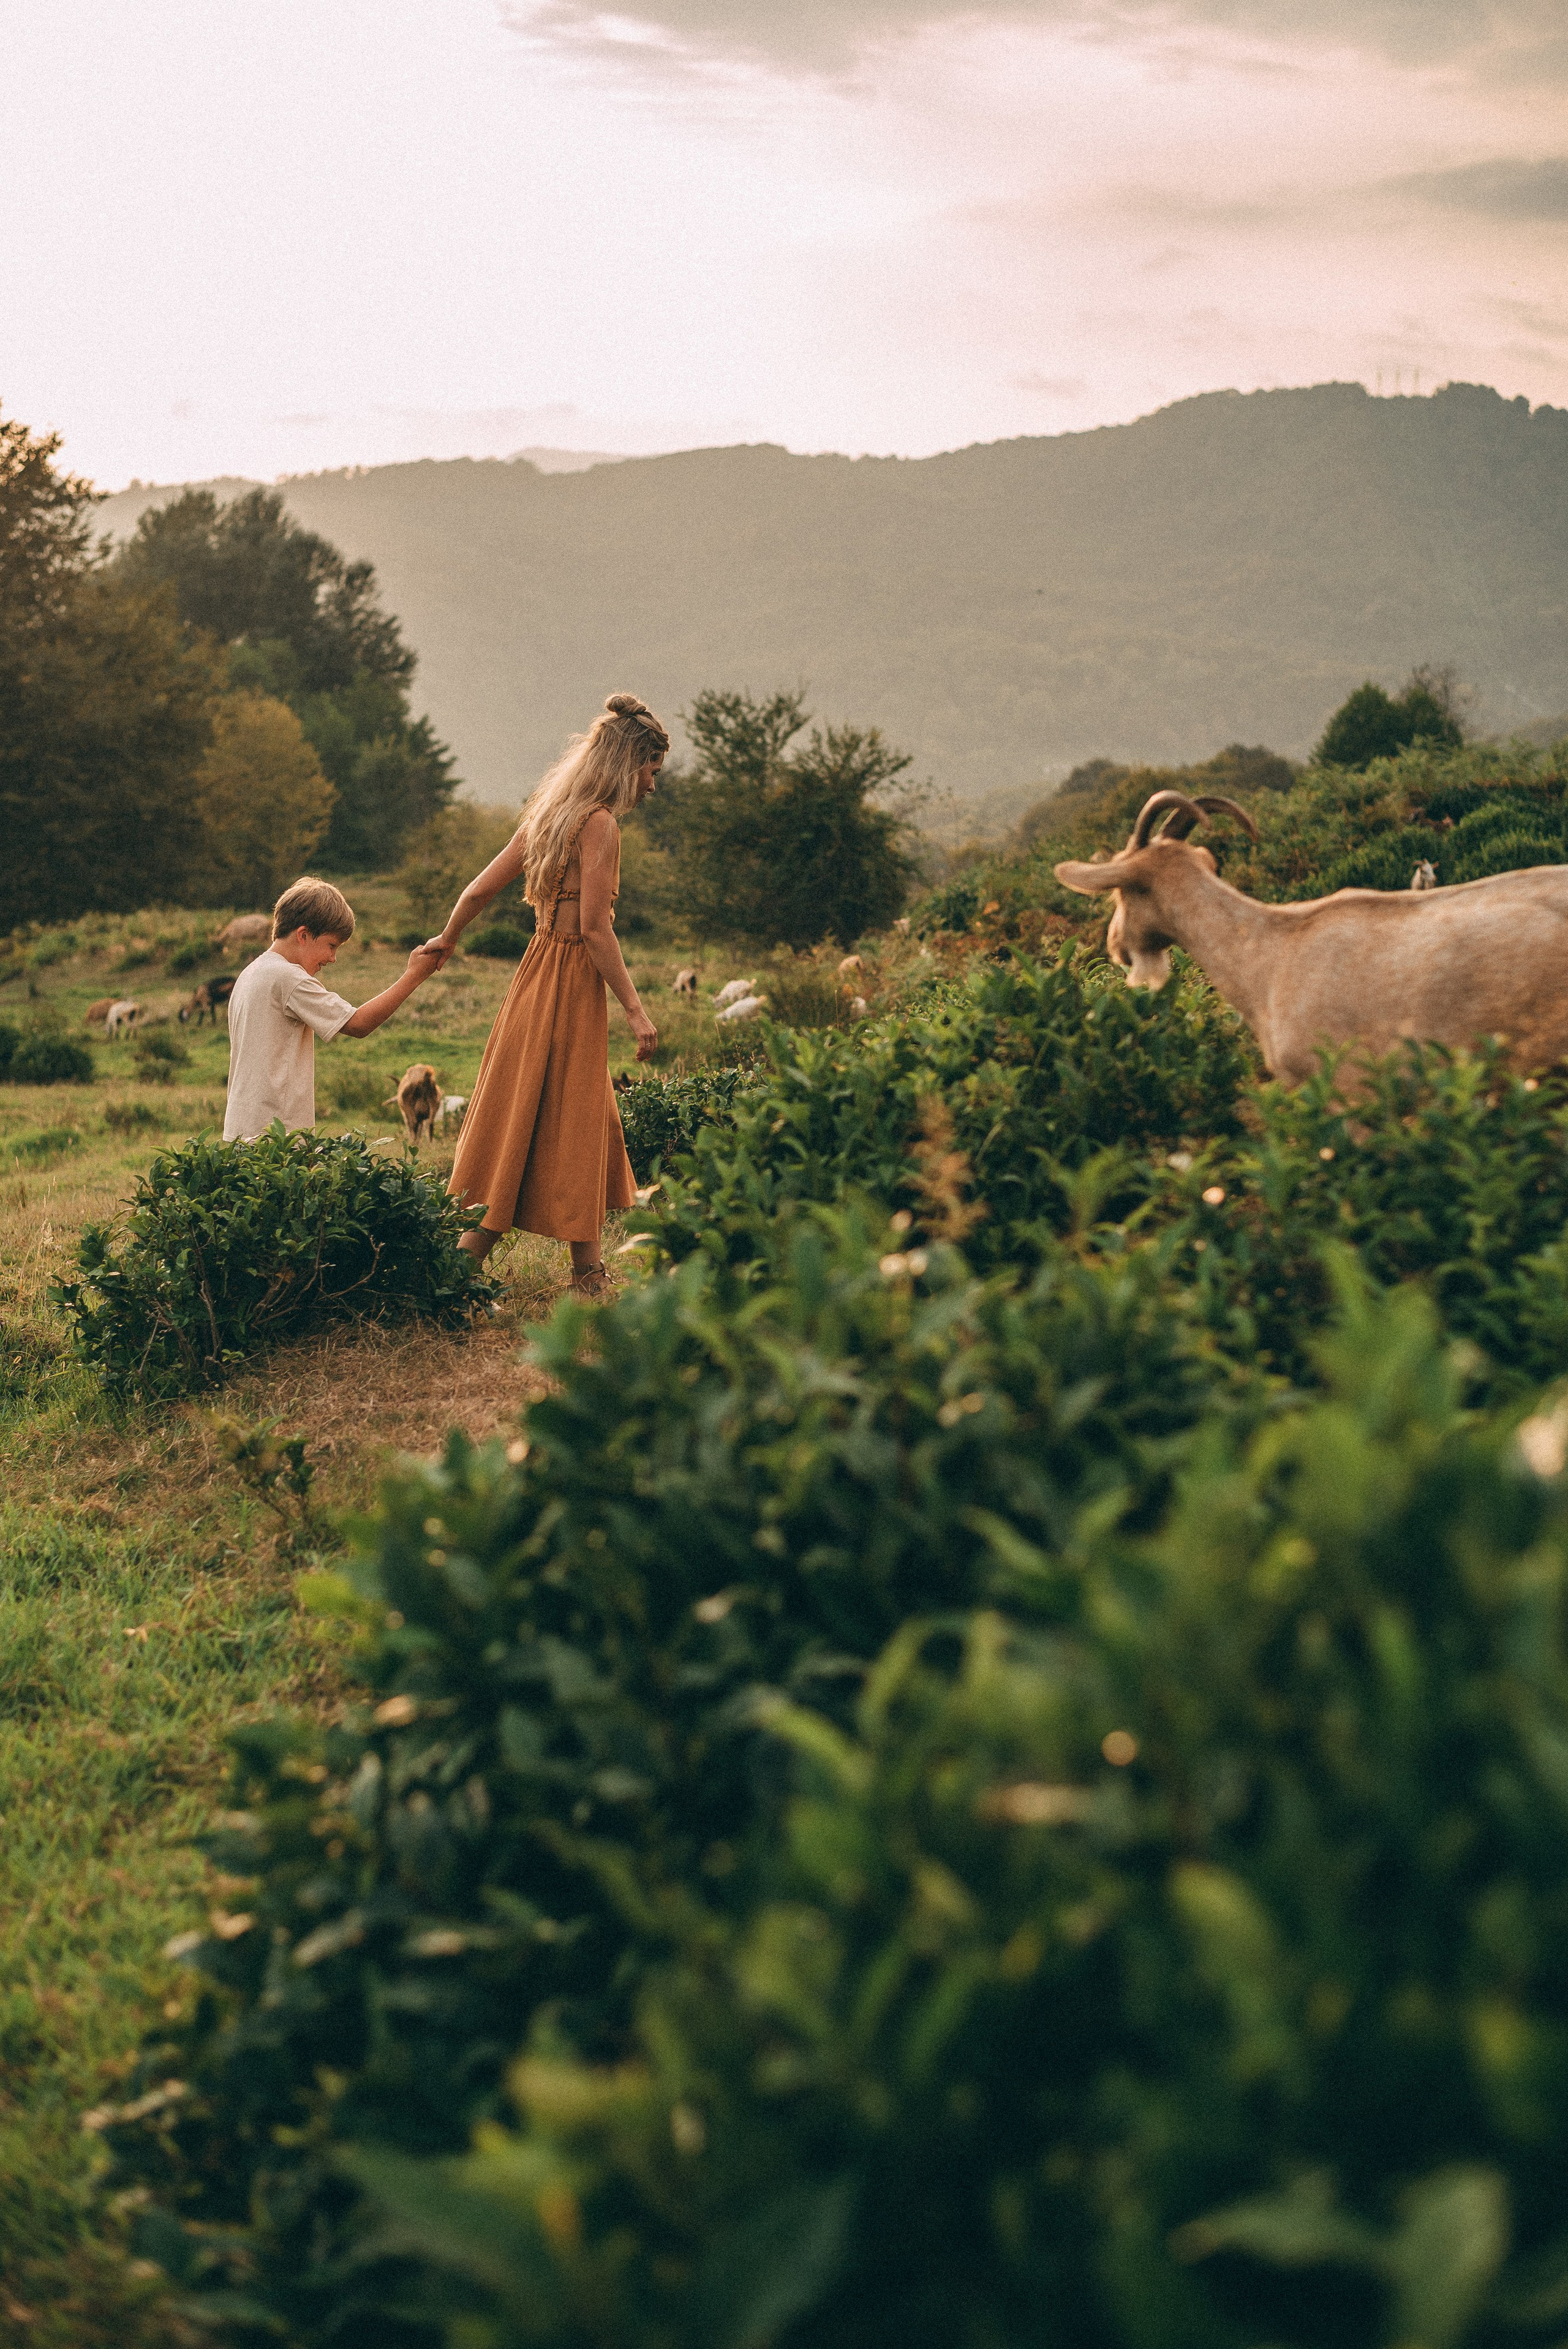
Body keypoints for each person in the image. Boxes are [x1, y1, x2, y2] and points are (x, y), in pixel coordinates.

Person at [424, 692, 667, 1292]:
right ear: (628, 764)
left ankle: (587, 1272)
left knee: (581, 1116)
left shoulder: (549, 816)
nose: (652, 787)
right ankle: (460, 1274)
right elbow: (593, 928)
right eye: (652, 772)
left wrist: (446, 938)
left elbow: (478, 890)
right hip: (569, 985)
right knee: (538, 1119)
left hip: (532, 977)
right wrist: (635, 1010)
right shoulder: (601, 825)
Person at [224, 877, 442, 1142]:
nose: (333, 958)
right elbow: (359, 1024)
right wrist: (414, 975)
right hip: (276, 1138)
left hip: (240, 1131)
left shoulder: (251, 974)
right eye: (331, 946)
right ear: (303, 935)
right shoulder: (288, 978)